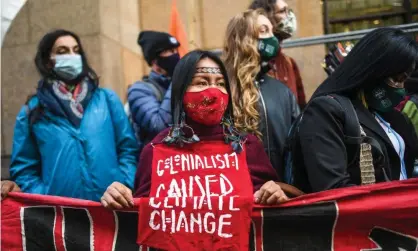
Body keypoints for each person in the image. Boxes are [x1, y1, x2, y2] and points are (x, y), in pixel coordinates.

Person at [100, 50, 304, 210]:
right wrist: (117, 197)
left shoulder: (247, 146)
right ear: (180, 90)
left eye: (221, 83)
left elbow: (271, 207)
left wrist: (276, 193)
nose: (213, 91)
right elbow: (139, 214)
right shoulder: (156, 150)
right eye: (202, 82)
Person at [9, 29, 138, 201]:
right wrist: (44, 197)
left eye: (76, 50)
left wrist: (124, 184)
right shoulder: (31, 111)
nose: (72, 56)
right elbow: (24, 168)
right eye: (62, 51)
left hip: (110, 209)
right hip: (60, 216)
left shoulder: (106, 99)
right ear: (48, 61)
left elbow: (128, 149)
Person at [289, 28, 418, 193]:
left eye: (404, 80)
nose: (401, 88)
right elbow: (332, 187)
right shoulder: (326, 111)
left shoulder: (394, 118)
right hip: (369, 216)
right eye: (396, 79)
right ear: (374, 69)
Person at [223, 9, 300, 179]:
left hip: (282, 191)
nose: (272, 38)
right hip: (239, 191)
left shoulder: (282, 91)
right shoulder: (222, 88)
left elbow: (296, 146)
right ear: (243, 38)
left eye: (272, 31)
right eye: (264, 31)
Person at [127, 31, 181, 149]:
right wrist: (178, 80)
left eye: (176, 51)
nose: (176, 55)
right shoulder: (139, 90)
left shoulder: (177, 84)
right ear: (154, 61)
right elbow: (158, 127)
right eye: (170, 52)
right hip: (156, 162)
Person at [249, 0, 307, 108]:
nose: (289, 16)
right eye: (282, 11)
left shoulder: (289, 63)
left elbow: (301, 107)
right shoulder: (250, 66)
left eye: (288, 10)